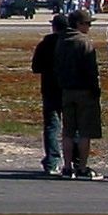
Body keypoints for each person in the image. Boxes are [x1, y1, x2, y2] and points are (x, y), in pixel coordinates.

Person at [54, 9, 104, 179]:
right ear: (78, 24)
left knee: (68, 131)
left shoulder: (61, 41)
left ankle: (67, 166)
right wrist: (95, 89)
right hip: (84, 90)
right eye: (87, 24)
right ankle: (82, 166)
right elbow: (92, 70)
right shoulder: (84, 42)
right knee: (84, 132)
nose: (89, 27)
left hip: (66, 90)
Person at [30, 12, 69, 177]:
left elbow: (36, 67)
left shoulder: (45, 44)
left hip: (50, 88)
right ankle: (72, 161)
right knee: (71, 127)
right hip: (69, 88)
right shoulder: (71, 43)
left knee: (52, 126)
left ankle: (53, 162)